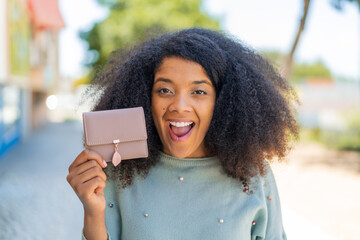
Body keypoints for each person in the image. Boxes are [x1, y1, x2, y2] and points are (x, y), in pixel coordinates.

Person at [67, 27, 298, 240]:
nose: (179, 105)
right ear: (145, 97)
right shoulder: (121, 171)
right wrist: (93, 213)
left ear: (224, 102)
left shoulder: (255, 174)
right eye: (164, 90)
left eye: (198, 91)